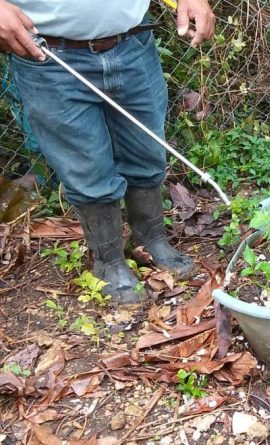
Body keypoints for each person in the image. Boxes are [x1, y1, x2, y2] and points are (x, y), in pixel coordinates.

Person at [0, 0, 216, 305]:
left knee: (146, 150)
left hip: (134, 44)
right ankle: (109, 261)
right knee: (86, 167)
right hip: (47, 56)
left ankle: (150, 239)